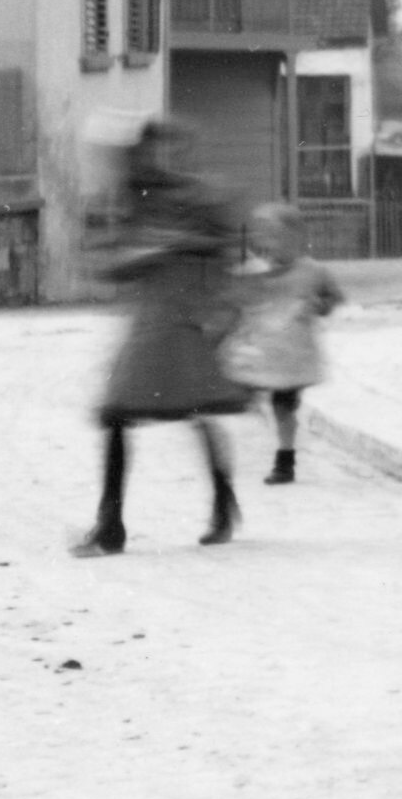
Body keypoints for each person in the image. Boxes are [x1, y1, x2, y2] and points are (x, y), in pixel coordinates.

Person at [82, 120, 248, 553]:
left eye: (171, 149)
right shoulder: (126, 197)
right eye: (154, 149)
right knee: (120, 414)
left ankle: (221, 502)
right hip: (148, 319)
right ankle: (112, 523)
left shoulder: (198, 197)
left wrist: (184, 247)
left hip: (184, 317)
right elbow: (107, 266)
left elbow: (224, 249)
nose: (162, 159)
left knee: (194, 411)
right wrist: (151, 250)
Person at [222, 201, 342, 484]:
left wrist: (319, 305)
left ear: (297, 238)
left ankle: (285, 460)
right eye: (265, 236)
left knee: (283, 407)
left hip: (291, 357)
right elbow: (236, 301)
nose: (271, 243)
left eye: (278, 236)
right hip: (259, 352)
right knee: (242, 391)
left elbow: (332, 298)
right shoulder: (254, 271)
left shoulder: (313, 272)